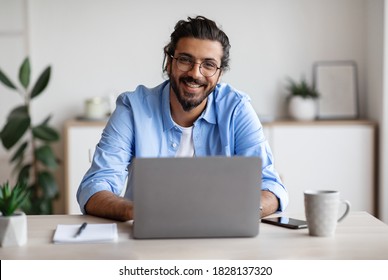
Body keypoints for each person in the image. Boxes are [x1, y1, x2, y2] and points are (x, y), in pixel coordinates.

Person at [77, 15, 288, 221]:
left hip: (221, 240)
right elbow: (95, 186)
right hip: (148, 242)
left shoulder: (237, 109)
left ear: (219, 74)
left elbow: (271, 186)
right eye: (186, 60)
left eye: (208, 65)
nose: (195, 73)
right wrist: (135, 211)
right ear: (169, 62)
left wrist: (239, 211)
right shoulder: (133, 109)